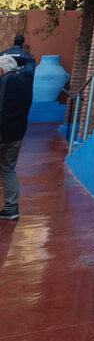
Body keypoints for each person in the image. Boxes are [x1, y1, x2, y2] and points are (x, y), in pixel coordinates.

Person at [0, 45, 36, 222]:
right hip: (16, 135)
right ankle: (11, 208)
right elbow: (31, 62)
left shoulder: (2, 83)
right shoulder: (26, 80)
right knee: (8, 170)